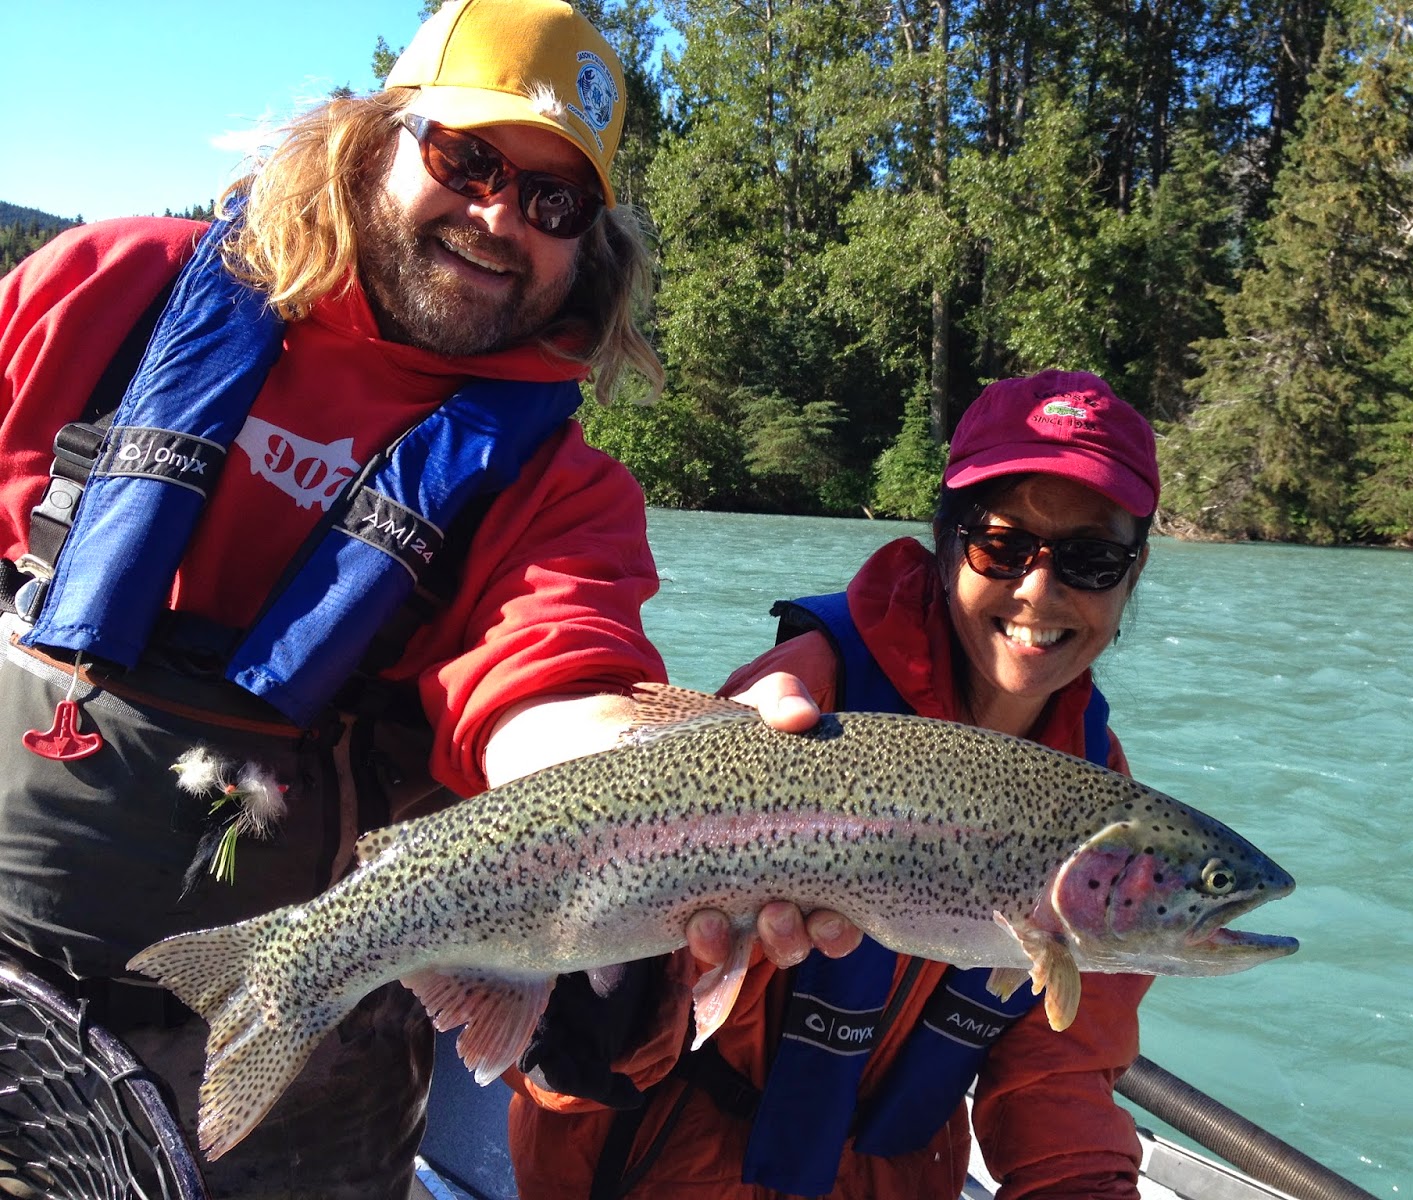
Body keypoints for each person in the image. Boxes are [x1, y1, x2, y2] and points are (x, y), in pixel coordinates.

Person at [0, 1, 840, 1196]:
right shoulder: (111, 289)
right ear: (372, 135)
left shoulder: (562, 492)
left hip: (312, 1053)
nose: (503, 217)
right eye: (470, 160)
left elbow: (551, 701)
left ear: (589, 240)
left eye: (554, 202)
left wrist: (704, 778)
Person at [507, 368, 1162, 1198]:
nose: (1038, 588)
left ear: (1131, 576)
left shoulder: (1105, 810)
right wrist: (635, 985)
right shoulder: (805, 696)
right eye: (1001, 544)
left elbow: (1058, 1075)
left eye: (1091, 559)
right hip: (671, 1158)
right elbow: (650, 1012)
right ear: (947, 540)